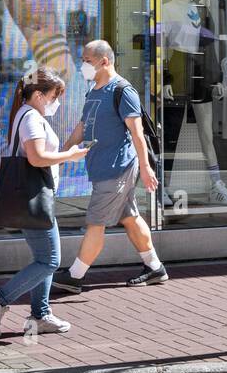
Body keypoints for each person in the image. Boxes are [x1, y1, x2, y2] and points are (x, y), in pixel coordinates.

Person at [51, 40, 167, 292]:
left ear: (105, 61)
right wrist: (63, 152)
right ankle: (155, 267)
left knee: (95, 221)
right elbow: (84, 125)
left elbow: (137, 134)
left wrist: (146, 169)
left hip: (117, 168)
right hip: (102, 167)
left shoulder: (123, 91)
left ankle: (75, 276)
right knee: (130, 217)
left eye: (87, 60)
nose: (83, 65)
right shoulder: (94, 91)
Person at [0, 69, 90, 336]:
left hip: (34, 196)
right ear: (41, 95)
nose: (57, 102)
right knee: (49, 260)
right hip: (34, 197)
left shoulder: (23, 113)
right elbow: (36, 157)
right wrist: (70, 156)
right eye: (55, 96)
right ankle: (0, 300)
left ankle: (40, 315)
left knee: (44, 257)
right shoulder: (31, 117)